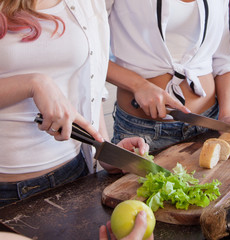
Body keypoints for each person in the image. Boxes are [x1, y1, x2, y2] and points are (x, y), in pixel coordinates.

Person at [0, 0, 148, 207]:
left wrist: (103, 149)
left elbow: (90, 85)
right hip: (5, 191)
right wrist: (33, 83)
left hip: (73, 175)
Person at [104, 0, 230, 152]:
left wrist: (227, 115)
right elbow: (90, 55)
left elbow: (224, 60)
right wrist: (138, 85)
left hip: (209, 125)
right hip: (141, 133)